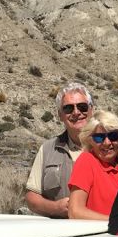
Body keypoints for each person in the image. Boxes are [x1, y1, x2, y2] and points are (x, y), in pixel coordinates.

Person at [25, 82, 92, 218]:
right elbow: (32, 197)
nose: (76, 112)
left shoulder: (111, 146)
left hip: (104, 233)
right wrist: (54, 208)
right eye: (68, 108)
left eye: (82, 107)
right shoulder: (48, 149)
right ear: (60, 115)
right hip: (62, 233)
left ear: (92, 110)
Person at [68, 110, 118, 219]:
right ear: (90, 141)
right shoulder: (87, 161)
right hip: (101, 235)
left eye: (113, 136)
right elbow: (75, 212)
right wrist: (117, 222)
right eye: (99, 137)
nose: (107, 143)